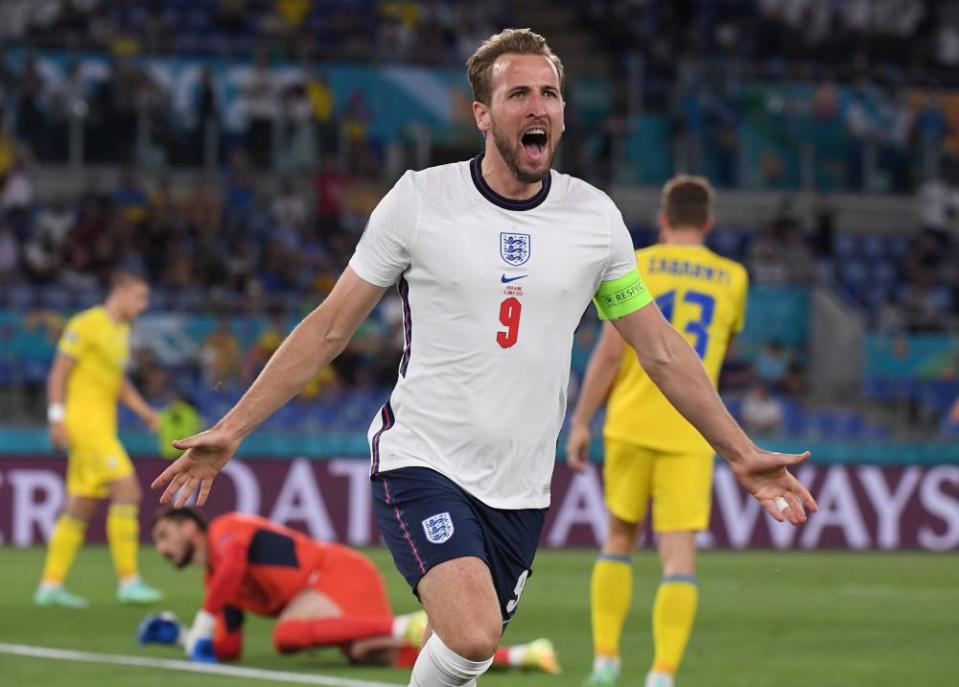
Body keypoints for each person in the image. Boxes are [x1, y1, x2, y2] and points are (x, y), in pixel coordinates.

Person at [153, 29, 817, 687]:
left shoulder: (594, 219)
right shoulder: (420, 201)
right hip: (422, 458)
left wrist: (738, 451)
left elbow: (662, 350)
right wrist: (233, 428)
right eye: (518, 92)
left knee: (466, 653)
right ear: (481, 113)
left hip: (521, 486)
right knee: (472, 630)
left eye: (550, 93)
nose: (538, 106)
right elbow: (329, 327)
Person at [565, 175, 749, 687]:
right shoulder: (733, 277)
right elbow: (721, 356)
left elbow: (608, 353)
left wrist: (581, 421)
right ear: (708, 223)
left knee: (619, 539)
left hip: (629, 421)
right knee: (678, 556)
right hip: (694, 433)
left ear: (663, 219)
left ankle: (605, 662)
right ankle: (662, 674)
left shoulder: (638, 263)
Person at [140, 507, 559, 674]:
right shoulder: (217, 584)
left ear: (190, 526)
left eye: (164, 533)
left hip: (337, 574)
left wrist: (202, 620)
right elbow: (226, 650)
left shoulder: (225, 531)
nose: (161, 547)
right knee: (372, 655)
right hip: (325, 594)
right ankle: (525, 655)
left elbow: (231, 569)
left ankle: (402, 625)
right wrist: (182, 636)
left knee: (287, 636)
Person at [35, 271, 163, 608]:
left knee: (81, 504)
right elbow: (58, 372)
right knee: (128, 490)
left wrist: (146, 412)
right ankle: (129, 581)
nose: (142, 306)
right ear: (119, 291)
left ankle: (49, 586)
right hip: (84, 425)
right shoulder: (86, 323)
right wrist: (56, 418)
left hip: (103, 427)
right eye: (139, 298)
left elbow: (118, 382)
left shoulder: (121, 332)